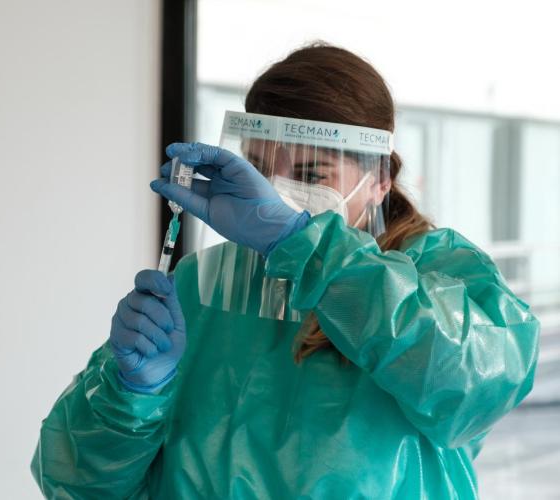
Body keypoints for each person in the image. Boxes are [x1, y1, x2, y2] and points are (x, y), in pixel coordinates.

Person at [31, 43, 540, 499]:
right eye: (258, 169)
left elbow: (478, 385)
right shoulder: (202, 285)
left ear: (379, 180)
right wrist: (131, 396)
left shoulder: (438, 272)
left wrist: (307, 247)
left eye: (311, 173)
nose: (274, 194)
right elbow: (74, 481)